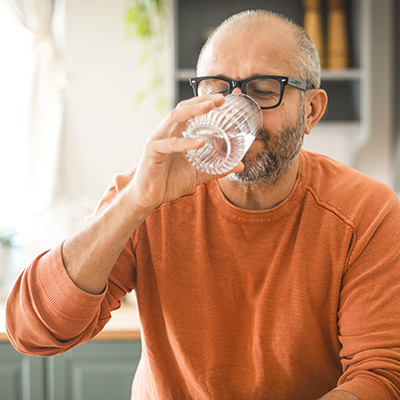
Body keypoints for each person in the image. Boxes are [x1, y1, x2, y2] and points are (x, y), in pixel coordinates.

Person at [5, 9, 400, 400]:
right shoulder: (147, 192)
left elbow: (381, 374)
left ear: (311, 110)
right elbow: (32, 331)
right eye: (217, 88)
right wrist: (134, 204)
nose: (235, 110)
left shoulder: (365, 211)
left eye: (263, 90)